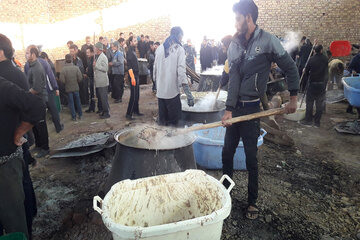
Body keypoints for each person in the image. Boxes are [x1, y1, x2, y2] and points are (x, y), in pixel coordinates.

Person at [221, 0, 299, 220]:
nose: (235, 23)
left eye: (237, 18)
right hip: (236, 110)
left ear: (248, 17)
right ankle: (225, 193)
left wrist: (292, 98)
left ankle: (252, 201)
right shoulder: (235, 44)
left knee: (250, 157)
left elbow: (291, 68)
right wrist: (228, 109)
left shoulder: (268, 41)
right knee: (226, 153)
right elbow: (233, 78)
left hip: (253, 108)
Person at [0, 34, 38, 239]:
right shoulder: (18, 72)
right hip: (17, 140)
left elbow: (34, 106)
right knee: (23, 185)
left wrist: (19, 131)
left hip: (10, 145)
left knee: (16, 192)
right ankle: (29, 218)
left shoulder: (6, 76)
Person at [0, 76, 46, 239]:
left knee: (14, 223)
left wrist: (19, 131)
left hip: (5, 168)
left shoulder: (3, 87)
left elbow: (37, 106)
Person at [154, 27, 194, 126]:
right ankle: (175, 141)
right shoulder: (179, 49)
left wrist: (157, 85)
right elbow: (181, 72)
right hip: (172, 94)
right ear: (179, 35)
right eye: (181, 37)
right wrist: (188, 93)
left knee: (163, 124)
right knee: (175, 125)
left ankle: (162, 141)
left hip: (160, 94)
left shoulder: (159, 49)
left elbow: (155, 71)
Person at [25, 45, 50, 158]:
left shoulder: (37, 68)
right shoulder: (31, 66)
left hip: (39, 100)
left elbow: (37, 88)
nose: (25, 55)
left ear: (33, 54)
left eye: (27, 53)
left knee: (41, 125)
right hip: (34, 101)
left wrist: (25, 94)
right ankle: (39, 144)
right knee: (35, 124)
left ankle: (45, 148)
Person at [300, 45, 328, 127]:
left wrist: (304, 71)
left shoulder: (311, 59)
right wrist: (325, 84)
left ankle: (308, 120)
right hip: (322, 85)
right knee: (319, 104)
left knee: (309, 103)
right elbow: (326, 72)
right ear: (321, 50)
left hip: (312, 84)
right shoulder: (325, 59)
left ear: (314, 51)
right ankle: (317, 122)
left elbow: (306, 72)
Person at [36, 52, 64, 133]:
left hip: (37, 92)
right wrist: (56, 88)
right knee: (53, 109)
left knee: (41, 113)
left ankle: (43, 132)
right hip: (48, 91)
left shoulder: (28, 64)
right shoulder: (44, 62)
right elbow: (50, 76)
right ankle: (58, 127)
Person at [60, 54, 83, 121]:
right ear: (72, 60)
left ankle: (74, 117)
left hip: (68, 88)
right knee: (78, 102)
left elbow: (62, 80)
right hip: (76, 87)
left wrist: (66, 82)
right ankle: (80, 115)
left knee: (71, 103)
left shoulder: (63, 69)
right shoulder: (76, 68)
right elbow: (80, 78)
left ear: (65, 60)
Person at [126, 36, 143, 120]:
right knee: (133, 95)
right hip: (133, 75)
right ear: (130, 42)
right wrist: (132, 77)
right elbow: (129, 66)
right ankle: (129, 114)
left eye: (136, 41)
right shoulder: (129, 51)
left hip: (136, 75)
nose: (136, 42)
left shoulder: (133, 51)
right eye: (135, 41)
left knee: (137, 94)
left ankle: (136, 111)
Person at [94, 42, 110, 119]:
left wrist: (96, 65)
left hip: (103, 81)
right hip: (99, 81)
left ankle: (107, 113)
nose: (94, 49)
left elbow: (105, 69)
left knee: (104, 98)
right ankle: (104, 111)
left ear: (98, 49)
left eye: (95, 48)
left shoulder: (103, 57)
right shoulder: (98, 56)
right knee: (102, 98)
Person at [85, 46, 96, 113]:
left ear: (92, 52)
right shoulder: (88, 59)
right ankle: (92, 107)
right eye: (86, 52)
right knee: (91, 94)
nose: (87, 54)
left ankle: (93, 107)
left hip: (93, 79)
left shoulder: (94, 59)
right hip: (90, 78)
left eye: (88, 52)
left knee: (93, 94)